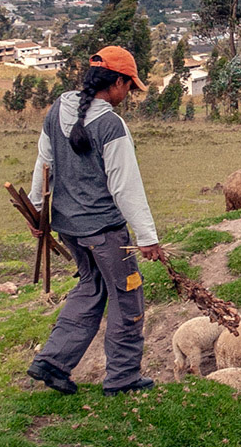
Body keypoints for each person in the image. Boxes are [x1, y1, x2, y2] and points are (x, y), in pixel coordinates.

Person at [25, 46, 165, 395]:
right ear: (116, 82)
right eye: (129, 87)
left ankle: (52, 362)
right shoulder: (110, 124)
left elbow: (45, 166)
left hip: (69, 227)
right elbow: (125, 187)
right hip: (105, 232)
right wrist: (147, 237)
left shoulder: (58, 108)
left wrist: (36, 211)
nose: (128, 95)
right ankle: (123, 378)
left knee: (91, 287)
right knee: (127, 295)